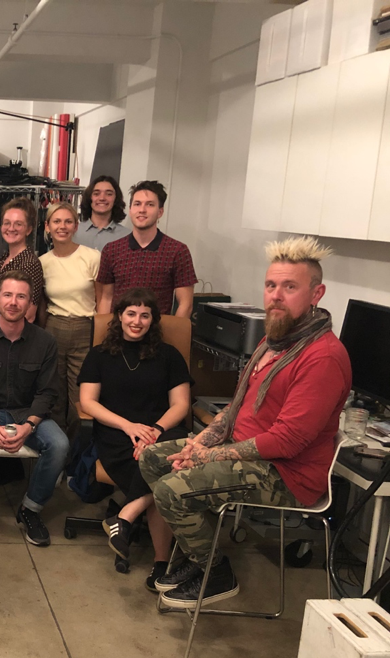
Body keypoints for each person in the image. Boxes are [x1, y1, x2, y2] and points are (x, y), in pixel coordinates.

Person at [140, 237, 351, 609]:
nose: (276, 296)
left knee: (172, 490)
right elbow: (236, 410)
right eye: (271, 286)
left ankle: (215, 570)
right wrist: (201, 443)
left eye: (290, 287)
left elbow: (286, 441)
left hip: (286, 474)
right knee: (153, 459)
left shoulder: (323, 357)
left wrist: (208, 458)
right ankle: (196, 554)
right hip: (245, 451)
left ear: (317, 293)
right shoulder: (273, 341)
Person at [77, 288, 191, 590]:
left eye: (145, 315)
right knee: (161, 479)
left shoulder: (169, 355)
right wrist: (129, 427)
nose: (137, 321)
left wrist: (154, 430)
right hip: (117, 434)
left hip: (163, 431)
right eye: (131, 313)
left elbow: (181, 404)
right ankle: (161, 564)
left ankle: (126, 519)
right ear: (119, 316)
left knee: (162, 464)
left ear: (153, 320)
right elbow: (88, 402)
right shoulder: (100, 355)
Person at [0, 270, 69, 547]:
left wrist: (29, 425)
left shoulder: (45, 342)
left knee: (60, 444)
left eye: (21, 296)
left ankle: (30, 509)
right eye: (8, 295)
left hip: (28, 413)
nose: (14, 302)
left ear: (31, 303)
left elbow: (47, 393)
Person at [39, 201, 101, 437]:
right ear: (47, 226)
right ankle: (57, 453)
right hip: (54, 328)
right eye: (56, 221)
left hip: (86, 328)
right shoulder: (43, 262)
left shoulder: (92, 257)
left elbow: (103, 297)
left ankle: (76, 458)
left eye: (68, 221)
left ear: (76, 226)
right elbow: (43, 304)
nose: (62, 226)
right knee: (54, 394)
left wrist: (101, 337)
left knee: (81, 397)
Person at [96, 180, 197, 317]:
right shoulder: (112, 250)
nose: (142, 210)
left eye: (150, 205)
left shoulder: (177, 251)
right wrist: (105, 332)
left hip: (158, 333)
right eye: (137, 204)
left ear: (160, 212)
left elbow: (185, 304)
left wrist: (173, 335)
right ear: (130, 210)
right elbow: (106, 299)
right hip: (118, 333)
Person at [0, 198, 44, 323]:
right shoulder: (3, 259)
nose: (11, 228)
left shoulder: (30, 263)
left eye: (18, 224)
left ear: (28, 229)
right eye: (7, 223)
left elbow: (28, 315)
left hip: (7, 337)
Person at [73, 175, 131, 252]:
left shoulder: (127, 236)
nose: (102, 198)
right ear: (89, 198)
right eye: (96, 194)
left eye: (109, 194)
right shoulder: (73, 232)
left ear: (116, 199)